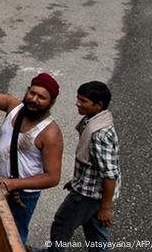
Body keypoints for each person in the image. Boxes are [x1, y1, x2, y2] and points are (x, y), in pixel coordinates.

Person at [0, 71, 63, 243]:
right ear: (27, 90)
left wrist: (13, 184)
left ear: (51, 102)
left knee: (12, 239)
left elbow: (53, 178)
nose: (34, 99)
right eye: (32, 93)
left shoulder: (50, 133)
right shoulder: (13, 107)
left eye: (41, 97)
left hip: (22, 195)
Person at [49, 81, 120, 251]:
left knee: (61, 224)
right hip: (90, 190)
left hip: (87, 195)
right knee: (96, 233)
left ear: (98, 105)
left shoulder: (99, 134)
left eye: (83, 100)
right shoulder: (94, 120)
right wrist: (77, 180)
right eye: (77, 98)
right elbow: (93, 164)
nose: (77, 103)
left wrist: (105, 208)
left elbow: (110, 175)